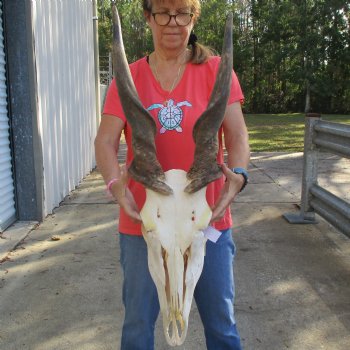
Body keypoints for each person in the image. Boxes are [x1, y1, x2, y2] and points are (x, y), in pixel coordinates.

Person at [95, 0, 250, 349]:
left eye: (182, 13)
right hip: (144, 224)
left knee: (222, 325)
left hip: (206, 223)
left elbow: (238, 136)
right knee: (137, 326)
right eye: (163, 13)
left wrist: (237, 175)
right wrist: (115, 186)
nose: (173, 23)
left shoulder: (215, 70)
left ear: (193, 17)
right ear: (148, 17)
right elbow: (105, 140)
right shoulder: (129, 76)